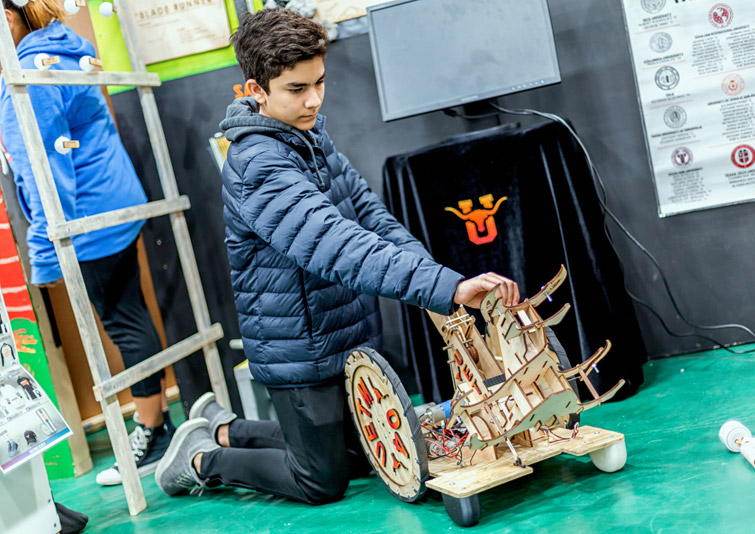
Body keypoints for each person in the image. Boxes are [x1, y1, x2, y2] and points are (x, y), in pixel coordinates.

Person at [155, 8, 520, 504]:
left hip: (345, 335)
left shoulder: (309, 137)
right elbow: (338, 245)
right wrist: (445, 288)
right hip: (298, 348)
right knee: (320, 481)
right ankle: (202, 458)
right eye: (296, 89)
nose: (313, 99)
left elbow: (371, 219)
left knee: (361, 455)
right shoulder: (256, 164)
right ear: (256, 90)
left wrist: (440, 285)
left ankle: (228, 429)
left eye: (319, 82)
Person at [0, 0, 174, 485]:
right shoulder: (59, 48)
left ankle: (150, 429)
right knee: (132, 313)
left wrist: (45, 248)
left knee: (124, 320)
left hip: (89, 214)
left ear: (9, 17)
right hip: (113, 200)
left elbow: (44, 164)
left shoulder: (30, 68)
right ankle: (158, 421)